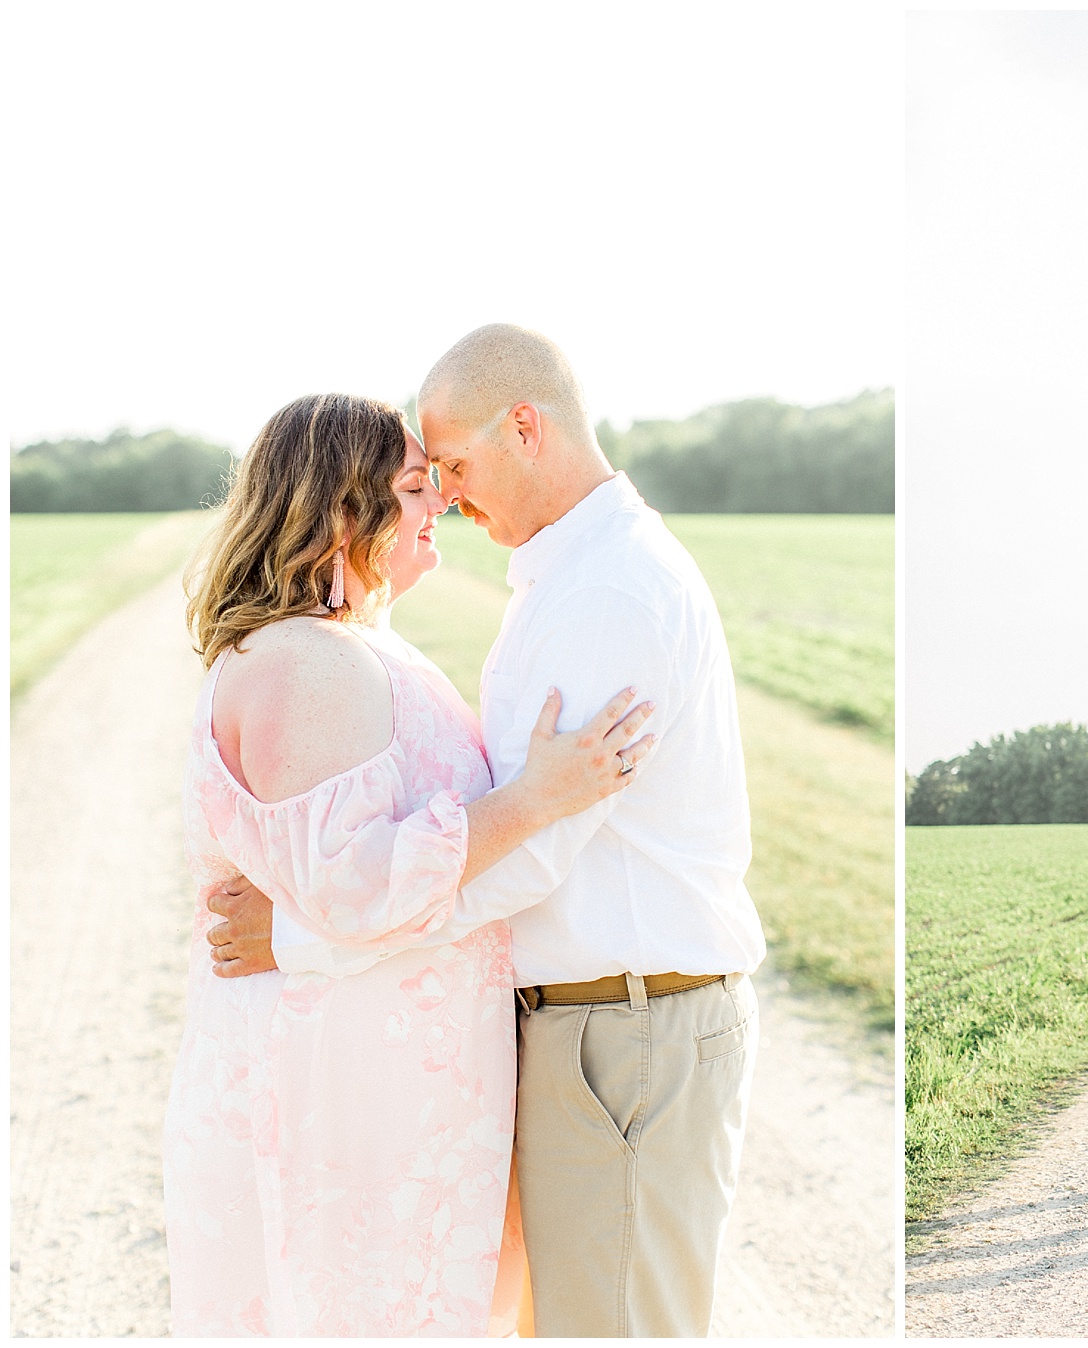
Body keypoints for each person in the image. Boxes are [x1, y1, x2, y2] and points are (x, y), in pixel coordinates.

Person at [206, 324, 768, 1337]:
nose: (449, 499)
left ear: (525, 426)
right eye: (429, 480)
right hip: (596, 1028)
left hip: (626, 1032)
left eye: (454, 467)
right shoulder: (569, 578)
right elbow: (515, 817)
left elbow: (531, 852)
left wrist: (299, 936)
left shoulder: (606, 594)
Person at [165, 393, 653, 1335]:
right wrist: (535, 799)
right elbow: (354, 888)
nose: (443, 504)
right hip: (337, 1116)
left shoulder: (345, 650)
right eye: (417, 486)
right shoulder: (305, 663)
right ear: (344, 512)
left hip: (384, 1108)